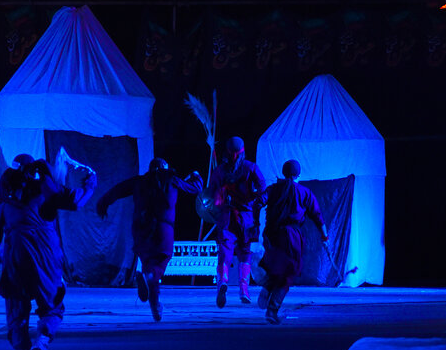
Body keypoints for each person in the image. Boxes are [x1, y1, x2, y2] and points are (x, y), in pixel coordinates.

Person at [0, 156, 96, 350]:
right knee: (53, 305)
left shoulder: (5, 201)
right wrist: (91, 180)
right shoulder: (45, 192)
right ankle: (42, 341)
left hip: (16, 254)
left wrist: (3, 258)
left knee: (17, 313)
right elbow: (77, 201)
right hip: (45, 254)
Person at [95, 158, 204, 322]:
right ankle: (151, 282)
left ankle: (154, 299)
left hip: (141, 227)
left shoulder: (139, 181)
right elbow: (195, 188)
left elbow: (117, 190)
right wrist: (196, 176)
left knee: (147, 259)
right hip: (163, 227)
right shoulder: (172, 179)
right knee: (162, 258)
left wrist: (102, 203)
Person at [258, 160, 327, 324]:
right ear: (299, 174)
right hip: (290, 237)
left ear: (283, 172)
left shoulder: (273, 189)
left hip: (272, 234)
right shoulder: (305, 192)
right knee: (289, 271)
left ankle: (267, 287)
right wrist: (325, 237)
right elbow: (317, 216)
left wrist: (255, 223)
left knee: (277, 266)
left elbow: (258, 202)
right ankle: (272, 310)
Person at [204, 136, 265, 308]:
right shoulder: (250, 168)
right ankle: (243, 290)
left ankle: (222, 282)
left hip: (226, 216)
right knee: (245, 253)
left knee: (225, 251)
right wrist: (254, 200)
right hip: (246, 217)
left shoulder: (219, 172)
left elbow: (210, 194)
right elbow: (263, 189)